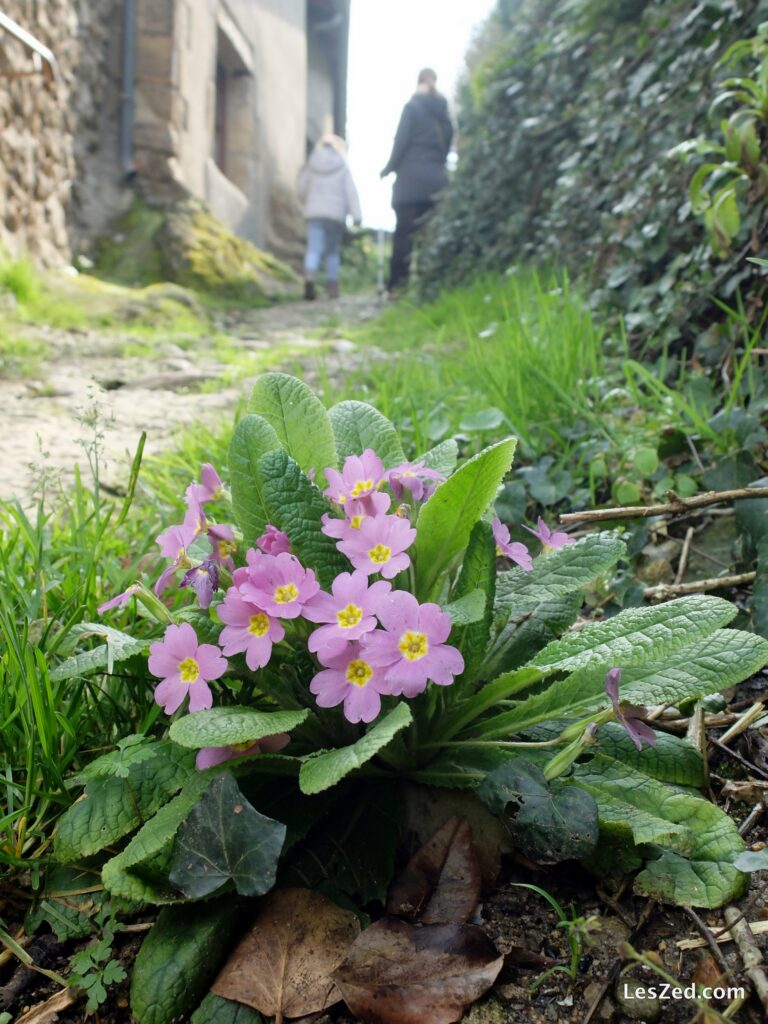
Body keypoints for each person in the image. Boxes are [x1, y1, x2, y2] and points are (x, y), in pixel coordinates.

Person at [380, 68, 453, 293]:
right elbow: (448, 145)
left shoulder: (412, 107)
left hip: (410, 183)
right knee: (431, 235)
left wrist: (388, 168)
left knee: (404, 235)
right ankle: (430, 285)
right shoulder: (444, 113)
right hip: (436, 182)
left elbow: (401, 142)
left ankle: (398, 286)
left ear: (418, 82)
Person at [298, 134, 362, 300]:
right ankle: (332, 286)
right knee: (332, 251)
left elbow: (301, 188)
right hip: (335, 215)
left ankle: (310, 278)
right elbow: (351, 193)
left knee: (314, 248)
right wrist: (356, 216)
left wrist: (306, 202)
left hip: (315, 212)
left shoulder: (312, 163)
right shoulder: (342, 165)